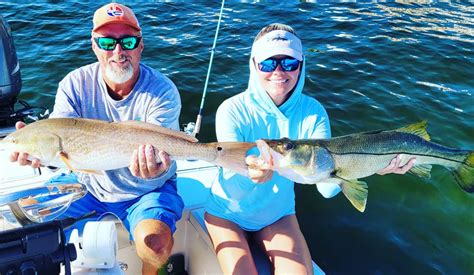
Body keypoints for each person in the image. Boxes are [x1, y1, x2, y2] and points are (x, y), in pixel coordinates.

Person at [204, 23, 415, 274]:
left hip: (277, 215)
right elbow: (233, 191)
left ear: (301, 65)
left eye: (290, 63)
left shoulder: (313, 112)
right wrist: (253, 177)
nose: (279, 72)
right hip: (226, 214)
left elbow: (326, 188)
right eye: (268, 64)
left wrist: (372, 165)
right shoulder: (232, 110)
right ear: (253, 65)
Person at [9, 3, 184, 274]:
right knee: (27, 226)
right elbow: (60, 151)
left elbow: (159, 150)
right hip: (86, 182)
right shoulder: (74, 84)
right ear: (94, 46)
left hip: (146, 189)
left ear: (140, 46)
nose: (118, 51)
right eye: (106, 42)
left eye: (127, 41)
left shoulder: (162, 91)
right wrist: (37, 155)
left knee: (156, 245)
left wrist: (155, 167)